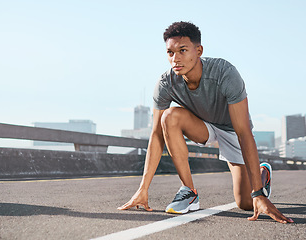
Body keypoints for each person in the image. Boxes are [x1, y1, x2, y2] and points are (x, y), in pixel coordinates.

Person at [118, 21, 293, 224]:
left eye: (182, 50)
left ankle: (263, 174)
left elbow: (244, 132)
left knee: (245, 203)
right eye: (170, 53)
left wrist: (258, 193)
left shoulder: (225, 73)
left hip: (231, 129)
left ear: (198, 50)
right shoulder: (166, 84)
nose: (175, 59)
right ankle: (189, 192)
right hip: (201, 125)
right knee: (169, 117)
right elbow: (157, 135)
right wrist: (143, 188)